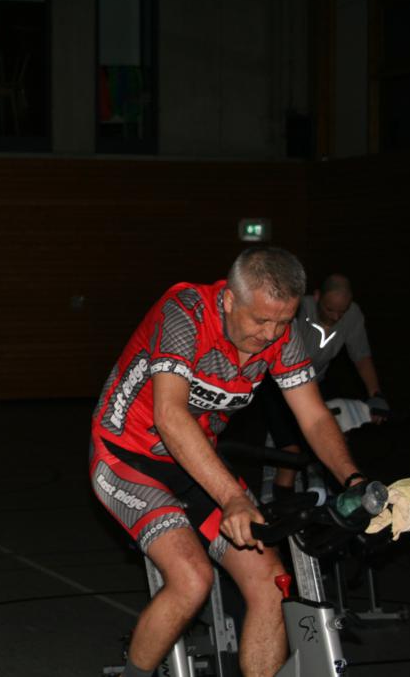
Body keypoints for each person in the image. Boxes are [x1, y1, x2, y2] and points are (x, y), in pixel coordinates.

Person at [89, 247, 366, 677]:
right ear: (229, 300)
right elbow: (170, 416)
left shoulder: (280, 331)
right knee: (192, 578)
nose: (271, 334)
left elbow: (313, 416)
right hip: (128, 456)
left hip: (194, 458)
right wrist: (232, 497)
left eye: (283, 321)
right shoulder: (185, 312)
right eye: (261, 320)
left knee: (271, 585)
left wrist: (354, 481)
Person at [262, 273, 388, 499]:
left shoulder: (352, 315)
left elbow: (361, 356)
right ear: (317, 296)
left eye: (342, 311)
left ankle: (324, 501)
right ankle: (281, 510)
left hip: (316, 384)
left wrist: (375, 393)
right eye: (330, 310)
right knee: (290, 454)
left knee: (331, 445)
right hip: (279, 386)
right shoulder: (299, 311)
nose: (336, 317)